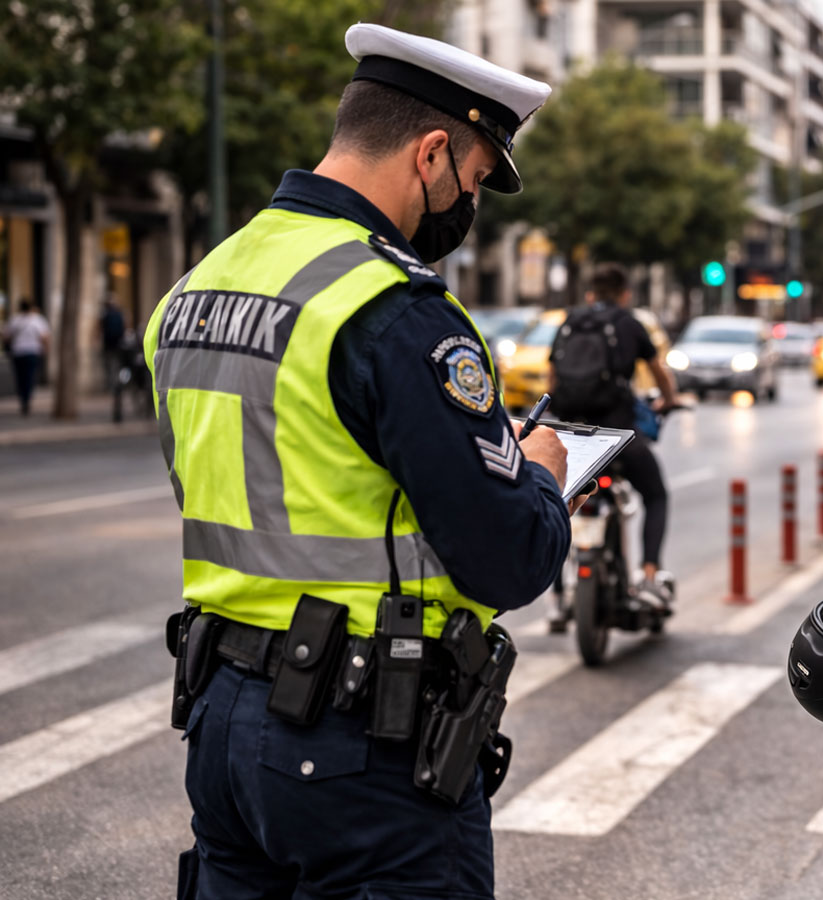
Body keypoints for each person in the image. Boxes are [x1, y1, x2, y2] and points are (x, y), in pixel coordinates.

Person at [145, 24, 580, 898]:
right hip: (360, 746)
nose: (470, 205)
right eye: (476, 179)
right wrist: (541, 471)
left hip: (225, 721)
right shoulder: (391, 307)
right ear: (430, 154)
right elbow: (507, 556)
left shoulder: (198, 286)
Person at [548, 262, 679, 603]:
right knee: (656, 495)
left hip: (572, 438)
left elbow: (552, 376)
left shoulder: (570, 321)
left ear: (590, 294)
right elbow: (657, 370)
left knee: (558, 502)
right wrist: (670, 400)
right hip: (617, 437)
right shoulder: (629, 324)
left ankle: (558, 593)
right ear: (625, 295)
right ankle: (650, 574)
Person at [4, 299, 50, 416]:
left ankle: (23, 399)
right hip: (32, 352)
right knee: (29, 377)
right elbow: (44, 337)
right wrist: (45, 349)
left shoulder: (15, 320)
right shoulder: (37, 320)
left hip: (18, 352)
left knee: (20, 377)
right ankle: (27, 399)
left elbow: (7, 336)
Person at [99, 295, 126, 391]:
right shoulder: (119, 314)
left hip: (108, 345)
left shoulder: (105, 314)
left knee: (109, 366)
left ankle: (111, 385)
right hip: (118, 344)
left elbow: (100, 328)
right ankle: (117, 383)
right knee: (116, 365)